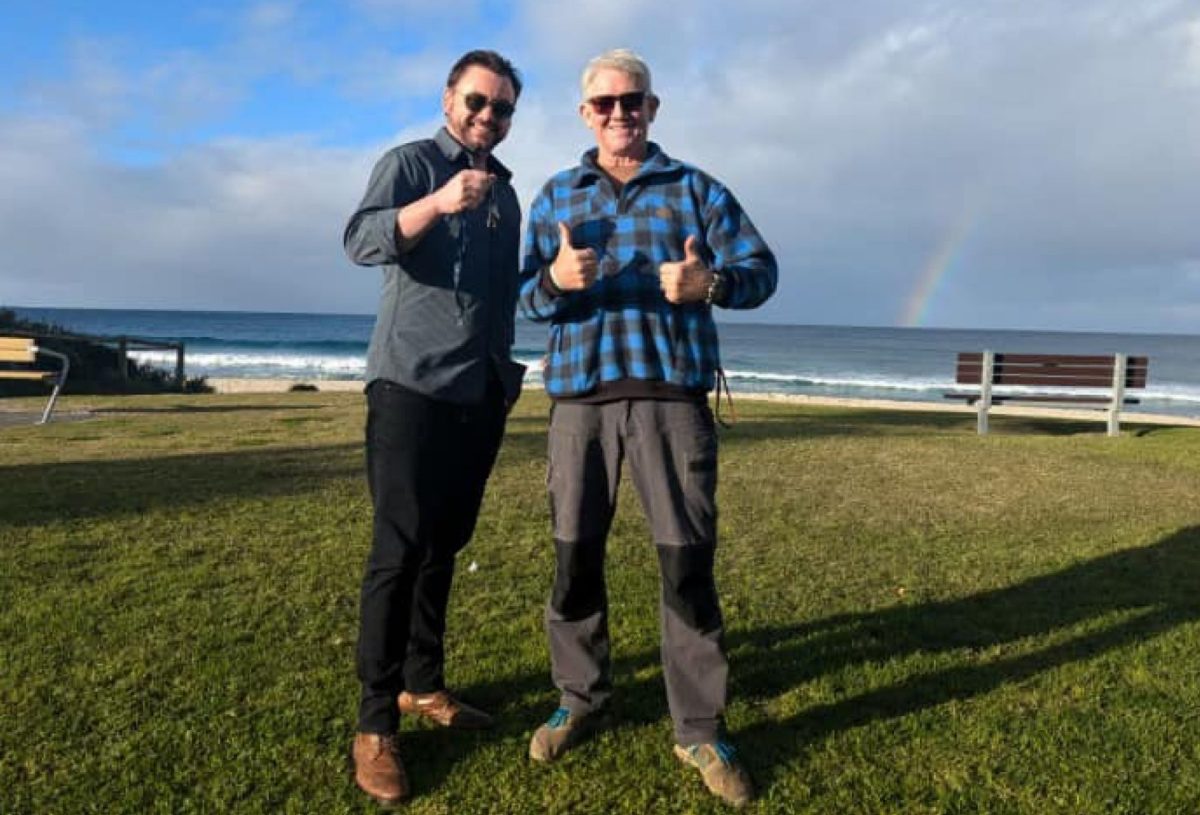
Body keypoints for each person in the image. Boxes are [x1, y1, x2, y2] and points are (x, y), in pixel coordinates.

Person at [518, 48, 777, 808]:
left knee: (686, 565)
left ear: (654, 108)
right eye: (605, 104)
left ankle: (698, 725)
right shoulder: (557, 195)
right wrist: (553, 282)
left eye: (633, 101)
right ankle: (580, 696)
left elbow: (762, 270)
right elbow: (523, 300)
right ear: (584, 114)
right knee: (574, 562)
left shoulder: (697, 190)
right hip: (579, 407)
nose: (620, 114)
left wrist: (714, 283)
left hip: (674, 403)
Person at [342, 49, 526, 806]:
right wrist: (439, 202)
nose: (488, 117)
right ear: (449, 97)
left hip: (478, 391)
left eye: (503, 109)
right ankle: (375, 721)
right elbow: (361, 241)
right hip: (410, 387)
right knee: (398, 549)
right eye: (478, 101)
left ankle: (424, 683)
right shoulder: (412, 164)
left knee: (445, 543)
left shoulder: (508, 197)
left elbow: (506, 290)